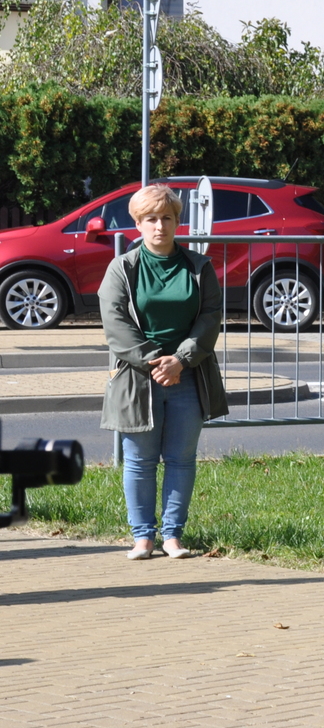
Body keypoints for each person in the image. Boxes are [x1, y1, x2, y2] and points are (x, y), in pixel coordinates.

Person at [100, 183, 229, 560]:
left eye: (167, 218)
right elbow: (115, 324)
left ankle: (173, 536)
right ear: (137, 224)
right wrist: (156, 361)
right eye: (151, 219)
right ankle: (143, 537)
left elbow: (210, 317)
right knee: (139, 461)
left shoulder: (199, 266)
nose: (160, 226)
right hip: (138, 378)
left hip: (189, 374)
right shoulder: (122, 268)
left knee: (180, 459)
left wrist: (181, 360)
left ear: (177, 222)